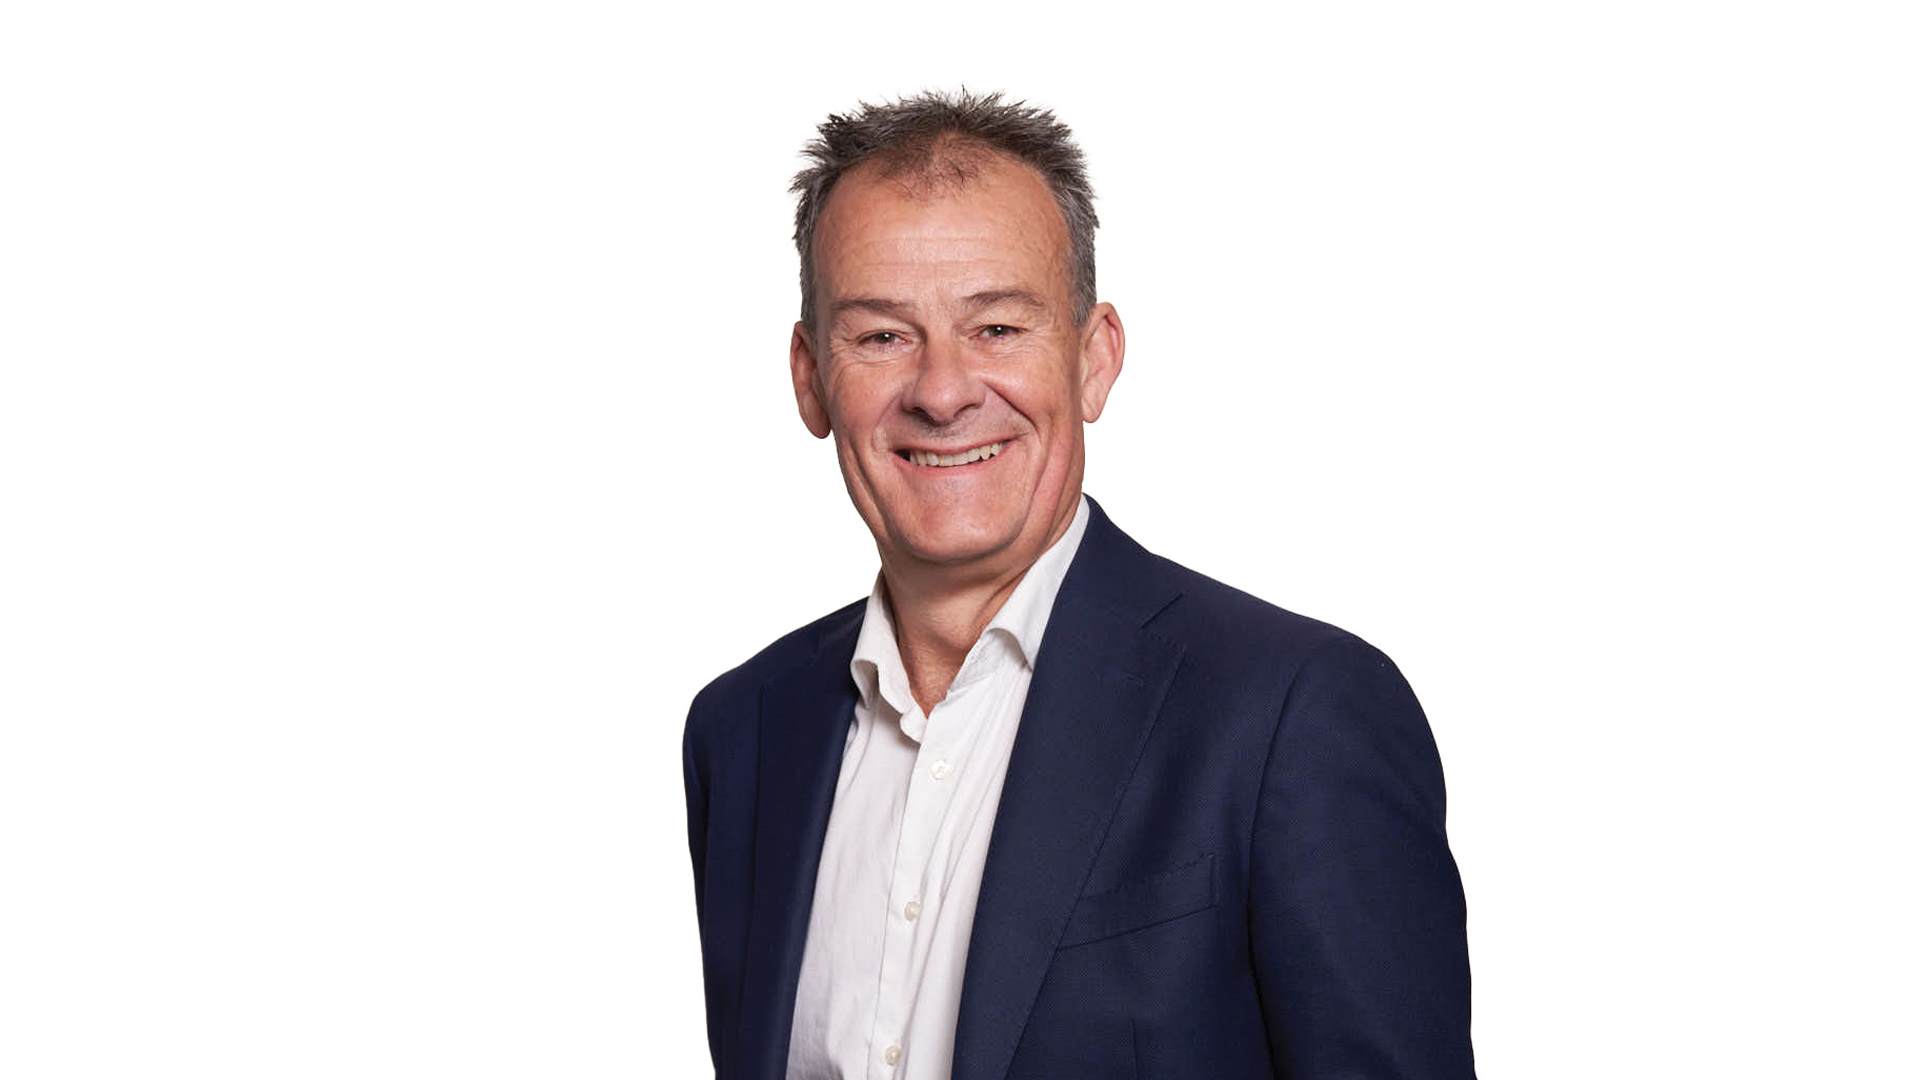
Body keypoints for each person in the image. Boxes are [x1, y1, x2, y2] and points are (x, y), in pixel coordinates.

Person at [680, 89, 1476, 1080]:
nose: (940, 390)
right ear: (809, 377)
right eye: (882, 335)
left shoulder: (1291, 713)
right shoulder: (745, 731)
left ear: (1095, 359)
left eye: (999, 328)